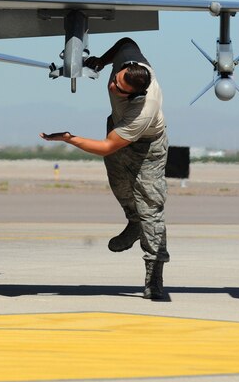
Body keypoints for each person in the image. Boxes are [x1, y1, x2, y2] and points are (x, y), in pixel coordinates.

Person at [41, 37, 169, 300]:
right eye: (115, 78)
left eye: (119, 88)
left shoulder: (143, 110)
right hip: (117, 128)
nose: (112, 85)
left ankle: (154, 275)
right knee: (121, 188)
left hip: (147, 147)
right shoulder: (130, 61)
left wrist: (69, 139)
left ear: (134, 95)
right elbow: (127, 42)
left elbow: (107, 147)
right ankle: (135, 223)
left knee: (150, 206)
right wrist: (102, 60)